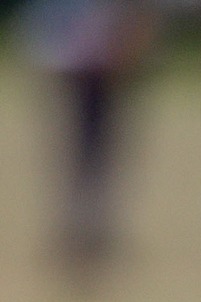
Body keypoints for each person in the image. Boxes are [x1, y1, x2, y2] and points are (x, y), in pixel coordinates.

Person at [24, 0, 155, 281]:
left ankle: (91, 225)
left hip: (102, 70)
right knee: (77, 154)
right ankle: (77, 225)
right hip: (72, 70)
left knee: (98, 154)